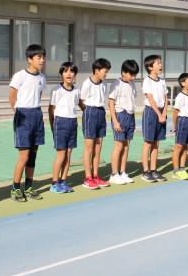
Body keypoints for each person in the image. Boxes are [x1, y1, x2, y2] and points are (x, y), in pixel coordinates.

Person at [8, 44, 46, 202]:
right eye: (39, 57)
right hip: (23, 115)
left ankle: (29, 187)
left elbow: (39, 95)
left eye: (43, 57)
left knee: (33, 155)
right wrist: (19, 112)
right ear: (30, 59)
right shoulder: (20, 76)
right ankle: (15, 188)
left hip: (37, 114)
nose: (42, 60)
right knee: (24, 156)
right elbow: (12, 97)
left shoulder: (42, 77)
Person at [79, 58, 111, 190]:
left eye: (107, 72)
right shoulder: (87, 83)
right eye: (105, 71)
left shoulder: (103, 84)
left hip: (101, 112)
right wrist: (87, 112)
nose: (106, 74)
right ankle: (88, 177)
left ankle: (96, 175)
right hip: (90, 112)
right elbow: (81, 100)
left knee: (98, 147)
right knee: (89, 148)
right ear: (97, 70)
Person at [48, 62, 80, 194]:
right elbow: (51, 110)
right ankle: (54, 183)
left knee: (69, 154)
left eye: (72, 71)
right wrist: (53, 126)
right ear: (61, 74)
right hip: (60, 123)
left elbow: (77, 105)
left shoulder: (76, 91)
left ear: (75, 75)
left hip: (73, 122)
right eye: (66, 71)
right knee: (61, 155)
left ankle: (63, 181)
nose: (69, 74)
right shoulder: (56, 90)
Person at [108, 59, 139, 185]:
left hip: (130, 115)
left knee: (126, 146)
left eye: (135, 75)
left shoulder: (132, 84)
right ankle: (114, 174)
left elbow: (131, 101)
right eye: (131, 74)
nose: (133, 77)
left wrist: (133, 119)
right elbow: (111, 103)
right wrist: (115, 121)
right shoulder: (116, 83)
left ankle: (123, 172)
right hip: (120, 115)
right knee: (119, 146)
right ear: (123, 72)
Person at [141, 54, 168, 182]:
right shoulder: (147, 80)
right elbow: (150, 99)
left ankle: (153, 170)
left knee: (156, 142)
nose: (161, 65)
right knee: (148, 142)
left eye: (160, 63)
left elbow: (166, 98)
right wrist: (159, 114)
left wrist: (164, 112)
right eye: (158, 63)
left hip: (162, 112)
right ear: (150, 67)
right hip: (151, 112)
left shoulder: (162, 81)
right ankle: (146, 171)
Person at [171, 73, 188, 180]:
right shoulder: (180, 96)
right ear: (183, 83)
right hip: (183, 121)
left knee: (186, 146)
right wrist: (175, 126)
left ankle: (182, 168)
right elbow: (175, 112)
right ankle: (176, 170)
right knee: (179, 146)